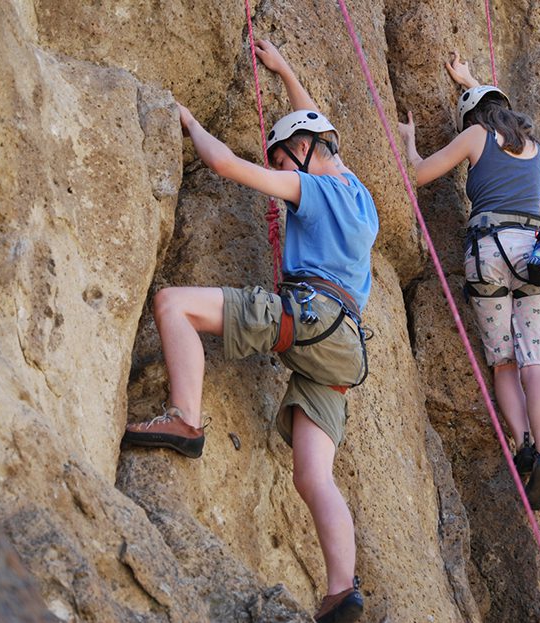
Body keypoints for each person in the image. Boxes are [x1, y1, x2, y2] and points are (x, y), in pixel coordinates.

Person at [121, 39, 376, 623]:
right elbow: (318, 130)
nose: (281, 168)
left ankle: (185, 418)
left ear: (306, 151)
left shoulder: (313, 187)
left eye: (285, 157)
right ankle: (343, 589)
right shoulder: (361, 196)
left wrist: (187, 121)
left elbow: (228, 168)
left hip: (309, 318)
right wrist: (284, 68)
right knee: (314, 476)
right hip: (343, 349)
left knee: (172, 304)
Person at [397, 51, 540, 511]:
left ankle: (523, 443)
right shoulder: (533, 146)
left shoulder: (474, 134)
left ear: (473, 116)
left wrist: (410, 142)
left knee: (504, 362)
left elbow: (419, 174)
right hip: (535, 253)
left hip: (489, 250)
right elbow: (491, 102)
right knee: (536, 364)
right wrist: (469, 78)